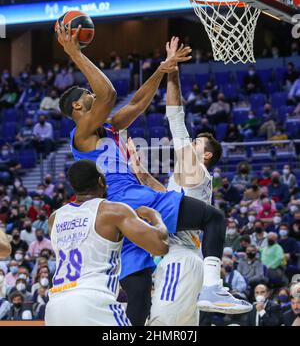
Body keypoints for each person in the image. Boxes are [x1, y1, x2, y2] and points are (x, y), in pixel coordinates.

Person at [57, 28, 244, 324]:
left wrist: (161, 69)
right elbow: (109, 94)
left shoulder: (108, 127)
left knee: (140, 290)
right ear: (78, 106)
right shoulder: (81, 133)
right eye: (87, 95)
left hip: (119, 212)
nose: (94, 95)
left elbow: (136, 104)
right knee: (213, 218)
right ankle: (212, 288)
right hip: (129, 198)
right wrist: (75, 54)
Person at [129, 37, 251, 326]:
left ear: (206, 155)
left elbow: (176, 118)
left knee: (158, 327)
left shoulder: (197, 171)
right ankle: (212, 286)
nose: (190, 142)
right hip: (189, 261)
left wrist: (172, 71)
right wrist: (142, 174)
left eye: (197, 142)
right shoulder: (188, 181)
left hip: (180, 260)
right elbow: (166, 196)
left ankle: (214, 287)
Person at [45, 159, 169, 326]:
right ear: (101, 181)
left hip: (55, 307)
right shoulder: (113, 210)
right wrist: (155, 216)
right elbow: (160, 246)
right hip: (93, 301)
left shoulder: (54, 218)